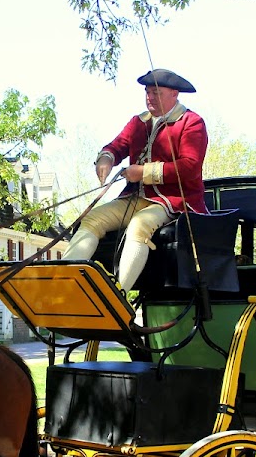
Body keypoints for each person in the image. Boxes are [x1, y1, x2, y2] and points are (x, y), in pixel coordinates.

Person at [63, 68, 209, 292]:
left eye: (156, 93)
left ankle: (120, 294)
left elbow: (189, 167)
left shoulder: (191, 122)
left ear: (174, 94)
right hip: (134, 198)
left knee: (139, 226)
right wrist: (105, 158)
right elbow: (117, 146)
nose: (150, 97)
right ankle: (64, 289)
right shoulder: (138, 122)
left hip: (175, 201)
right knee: (91, 220)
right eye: (147, 92)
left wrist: (143, 173)